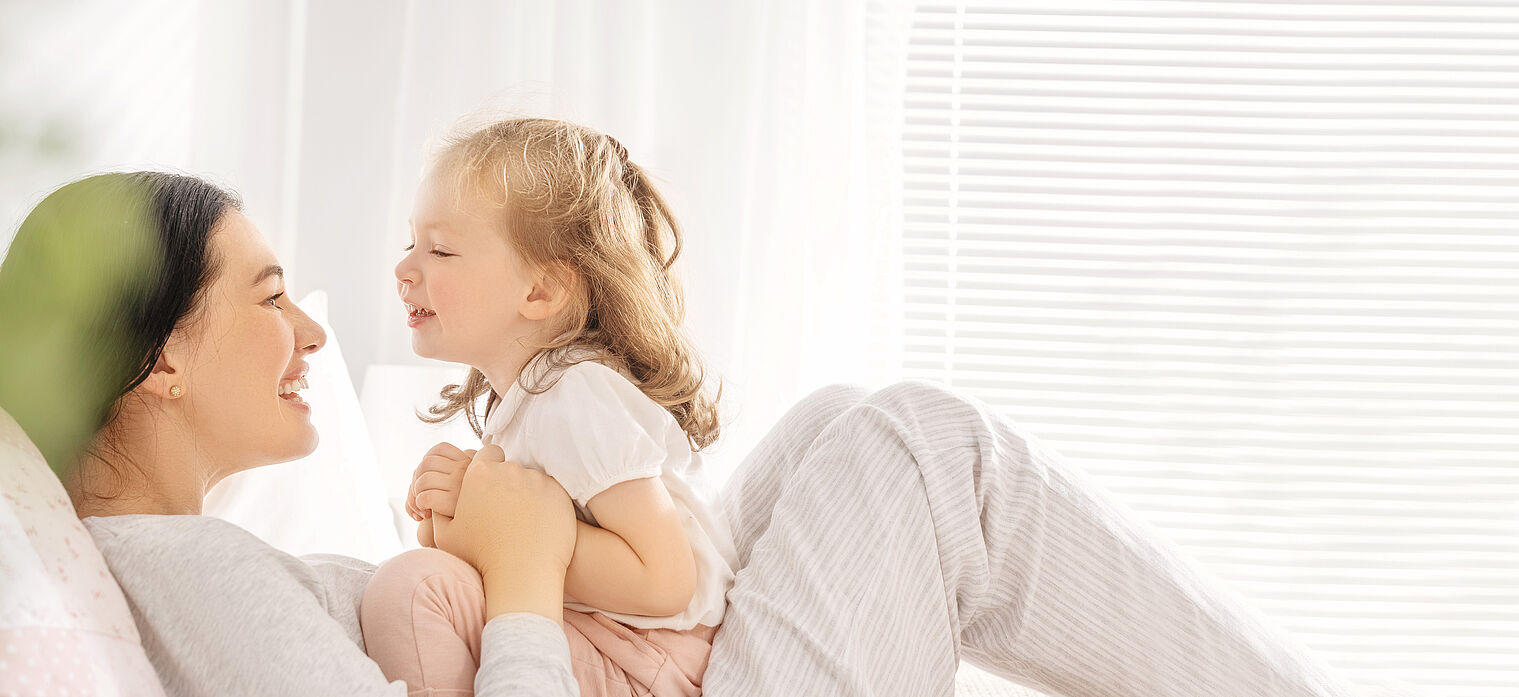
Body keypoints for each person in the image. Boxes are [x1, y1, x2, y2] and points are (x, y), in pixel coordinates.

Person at [0, 171, 1390, 697]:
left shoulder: (175, 561)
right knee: (922, 447)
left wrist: (504, 565)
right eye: (264, 297)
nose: (310, 330)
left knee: (847, 423)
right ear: (160, 354)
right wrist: (530, 573)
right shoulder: (195, 576)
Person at [364, 118, 736, 696]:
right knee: (421, 584)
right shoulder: (531, 396)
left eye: (439, 249)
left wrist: (497, 535)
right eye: (411, 243)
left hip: (652, 659)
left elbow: (665, 581)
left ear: (539, 291)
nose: (404, 267)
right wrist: (466, 523)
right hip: (616, 639)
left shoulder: (575, 393)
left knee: (412, 592)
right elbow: (529, 544)